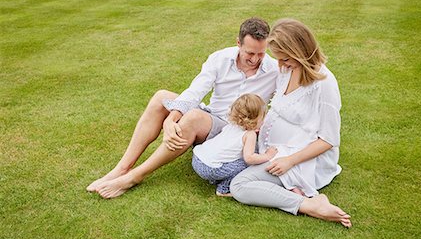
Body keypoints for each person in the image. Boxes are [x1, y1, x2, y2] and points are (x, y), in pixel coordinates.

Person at [86, 17, 279, 199]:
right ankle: (122, 168)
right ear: (238, 43)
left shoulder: (275, 70)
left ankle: (134, 177)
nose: (255, 59)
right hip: (213, 119)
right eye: (250, 53)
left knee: (193, 117)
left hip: (237, 132)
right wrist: (170, 119)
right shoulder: (219, 58)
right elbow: (196, 90)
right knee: (161, 97)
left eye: (260, 53)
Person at [230, 18, 352, 227]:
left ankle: (309, 205)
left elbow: (329, 140)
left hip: (301, 158)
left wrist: (290, 161)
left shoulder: (325, 84)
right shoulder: (286, 70)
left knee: (239, 185)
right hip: (274, 150)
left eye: (285, 59)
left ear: (300, 52)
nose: (279, 65)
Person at [192, 93, 278, 197]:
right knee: (246, 164)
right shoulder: (249, 135)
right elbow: (249, 158)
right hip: (210, 169)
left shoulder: (231, 125)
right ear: (255, 119)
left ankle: (216, 178)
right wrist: (267, 156)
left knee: (229, 158)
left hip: (197, 158)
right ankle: (224, 189)